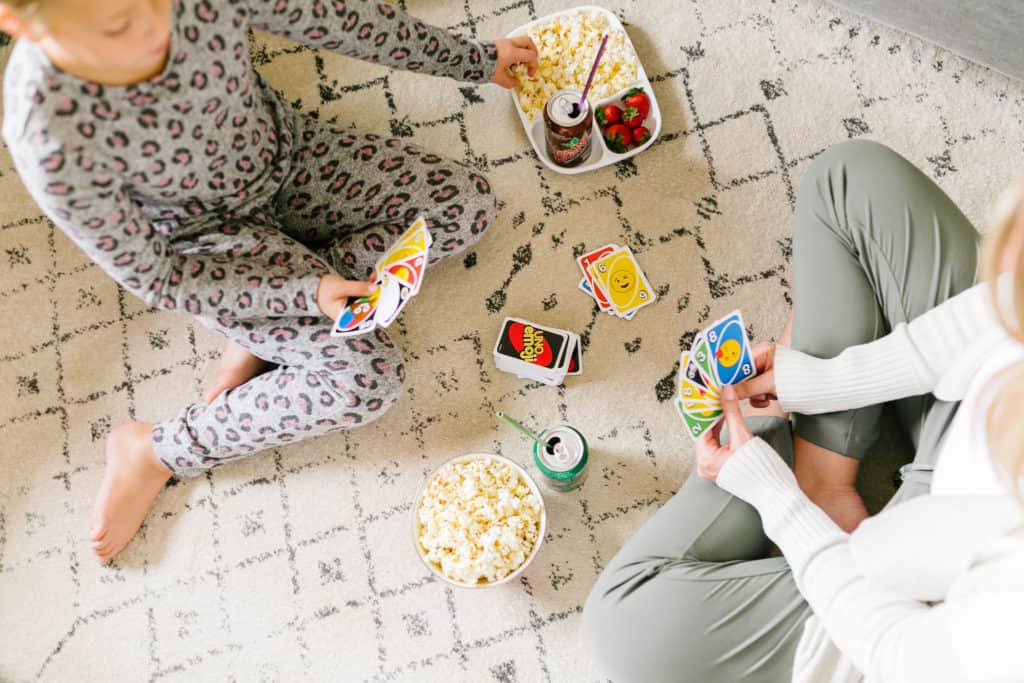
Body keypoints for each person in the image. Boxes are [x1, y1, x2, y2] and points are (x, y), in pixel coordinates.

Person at [0, 0, 538, 563]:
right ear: (22, 26)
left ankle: (261, 332)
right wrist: (302, 292)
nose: (157, 24)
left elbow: (339, 20)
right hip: (213, 249)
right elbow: (161, 276)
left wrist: (475, 60)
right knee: (368, 378)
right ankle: (155, 451)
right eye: (117, 24)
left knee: (465, 205)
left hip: (289, 156)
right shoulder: (49, 135)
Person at [582, 139, 1024, 682]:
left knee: (623, 628)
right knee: (847, 179)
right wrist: (821, 383)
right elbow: (992, 315)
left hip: (914, 619)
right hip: (976, 444)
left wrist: (782, 505)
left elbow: (897, 651)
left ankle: (798, 470)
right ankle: (822, 476)